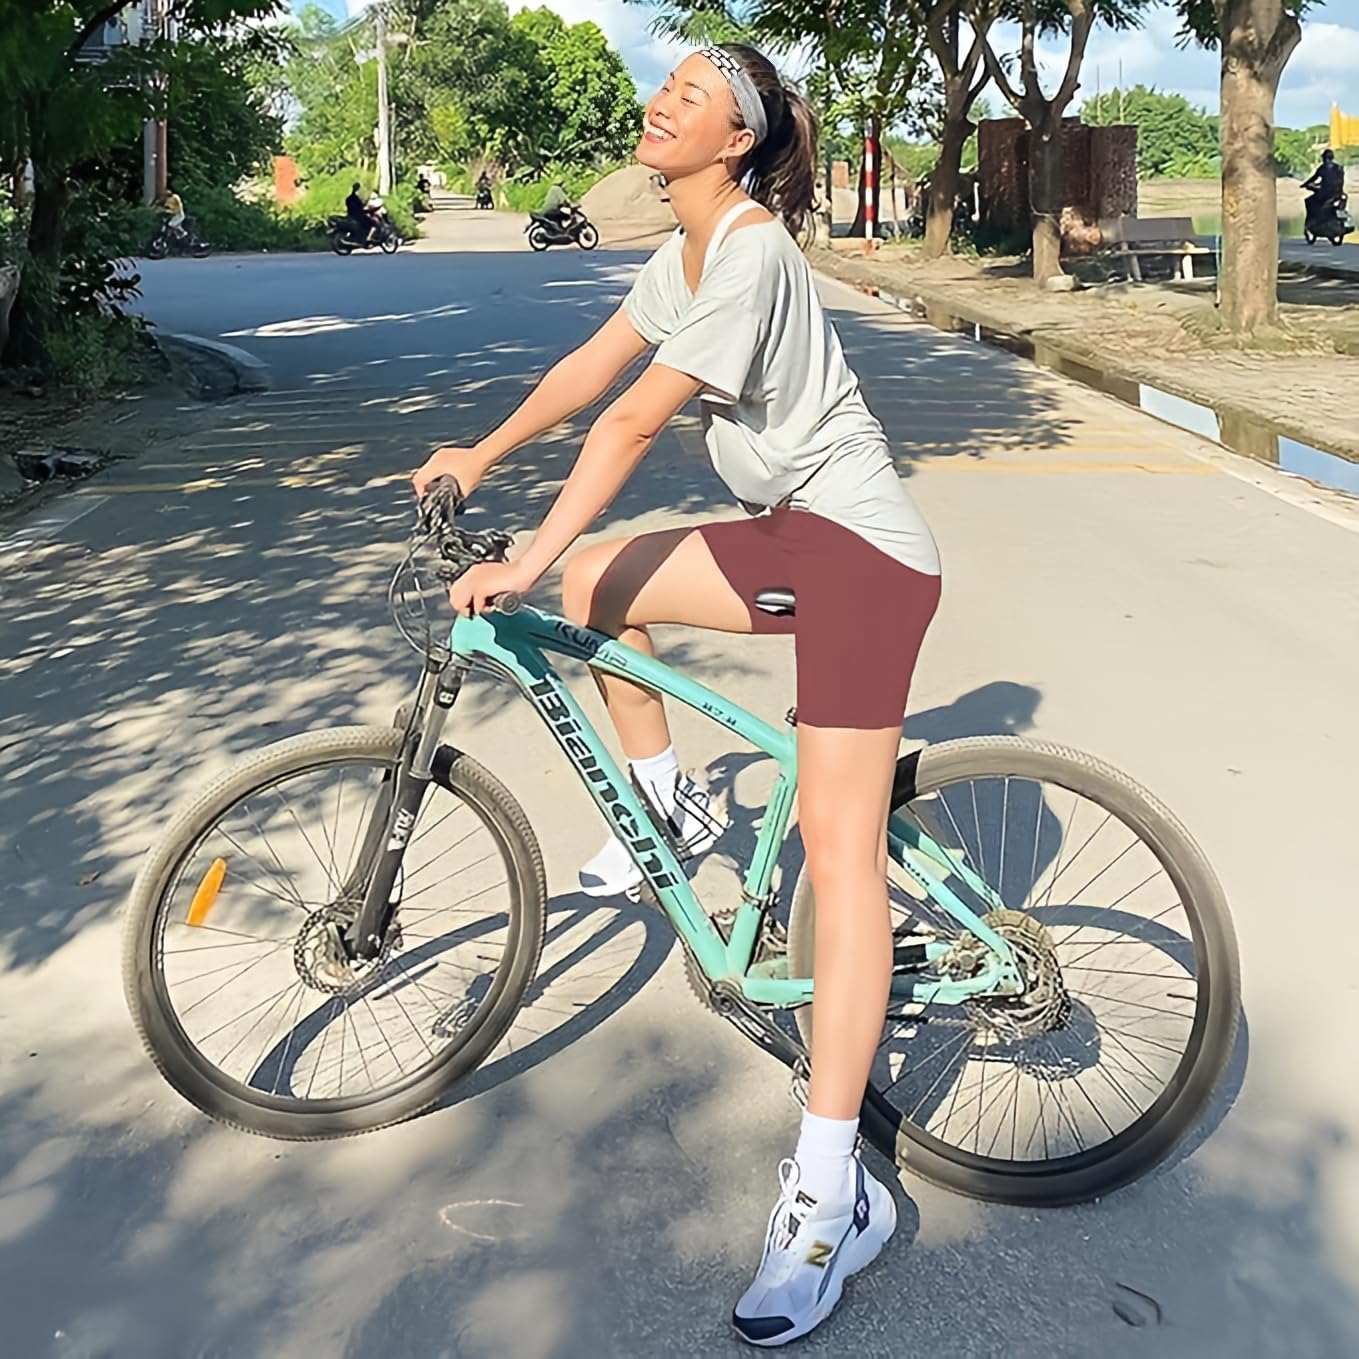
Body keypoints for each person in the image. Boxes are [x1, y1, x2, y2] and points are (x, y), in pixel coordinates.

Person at [413, 42, 939, 1346]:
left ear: (737, 140)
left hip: (864, 557)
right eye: (669, 85)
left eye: (693, 95)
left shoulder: (751, 252)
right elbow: (588, 370)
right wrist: (480, 451)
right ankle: (671, 803)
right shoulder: (687, 249)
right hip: (792, 532)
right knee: (599, 582)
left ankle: (830, 1197)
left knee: (838, 856)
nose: (664, 101)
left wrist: (518, 557)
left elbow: (632, 423)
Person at [1304, 148, 1345, 220]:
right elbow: (1341, 181)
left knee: (1309, 201)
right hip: (1337, 192)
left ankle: (1312, 218)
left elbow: (1314, 178)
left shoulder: (1323, 168)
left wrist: (1305, 184)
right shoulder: (1338, 168)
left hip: (1326, 192)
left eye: (1324, 158)